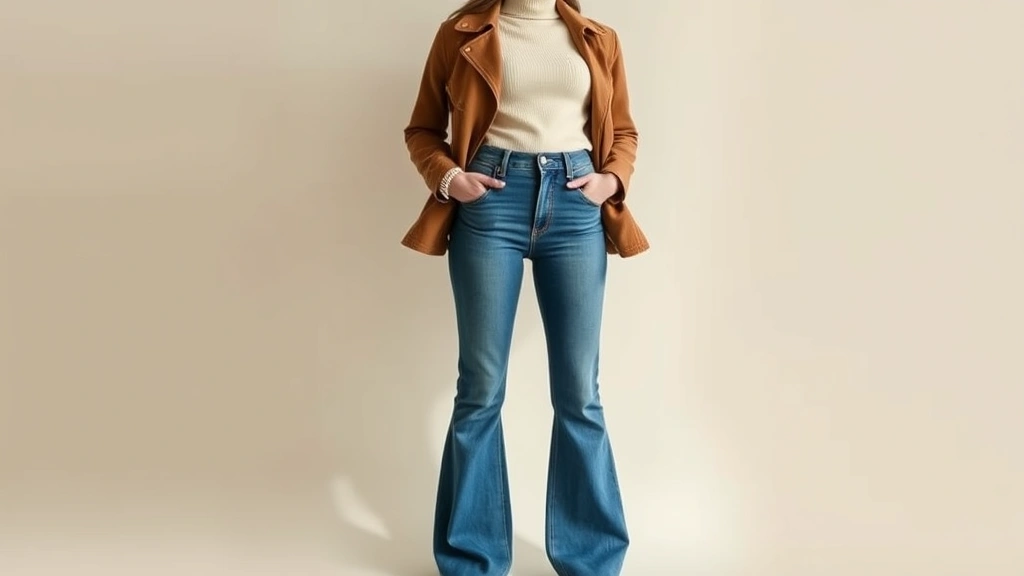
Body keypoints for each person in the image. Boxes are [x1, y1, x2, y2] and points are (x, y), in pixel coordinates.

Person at [400, 0, 649, 574]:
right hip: (491, 201)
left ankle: (590, 561)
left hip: (575, 202)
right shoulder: (460, 32)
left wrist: (611, 177)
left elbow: (626, 129)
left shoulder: (596, 36)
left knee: (579, 391)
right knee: (481, 388)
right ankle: (472, 559)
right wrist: (449, 178)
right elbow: (422, 128)